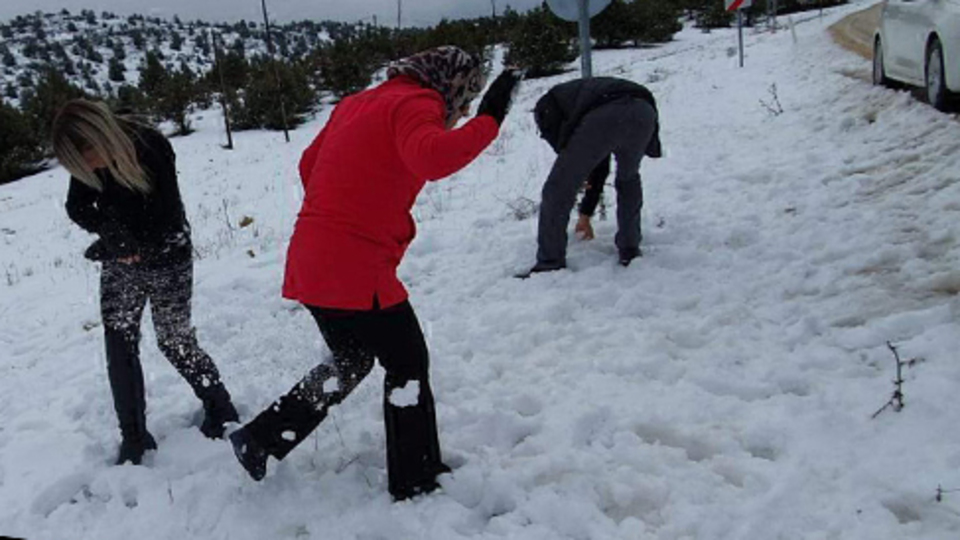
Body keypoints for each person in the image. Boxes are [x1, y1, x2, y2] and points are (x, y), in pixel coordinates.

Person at [229, 46, 521, 501]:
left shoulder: (357, 102)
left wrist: (356, 197)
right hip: (355, 268)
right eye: (463, 99)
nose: (460, 111)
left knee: (352, 359)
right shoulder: (416, 103)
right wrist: (491, 119)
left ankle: (262, 438)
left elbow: (309, 166)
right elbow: (433, 158)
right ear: (450, 83)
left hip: (311, 260)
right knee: (407, 364)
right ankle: (416, 478)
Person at [53, 99, 239, 465]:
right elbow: (77, 207)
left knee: (174, 340)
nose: (86, 169)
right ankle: (134, 437)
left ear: (100, 137)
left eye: (87, 159)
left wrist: (122, 242)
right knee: (119, 340)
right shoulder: (87, 160)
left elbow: (166, 217)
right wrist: (109, 234)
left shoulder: (150, 146)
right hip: (121, 259)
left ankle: (221, 408)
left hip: (168, 252)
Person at [521, 76, 662, 276]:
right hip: (644, 112)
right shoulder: (571, 96)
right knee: (628, 178)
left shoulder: (547, 109)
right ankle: (629, 248)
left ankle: (549, 262)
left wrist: (574, 173)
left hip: (607, 113)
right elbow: (600, 164)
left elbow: (570, 150)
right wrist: (585, 214)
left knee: (557, 188)